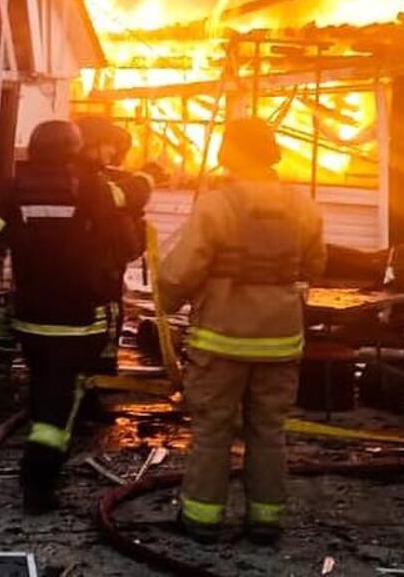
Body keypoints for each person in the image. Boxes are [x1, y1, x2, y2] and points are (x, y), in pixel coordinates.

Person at [0, 119, 138, 513]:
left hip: (31, 320)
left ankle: (35, 469)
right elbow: (125, 245)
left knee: (42, 390)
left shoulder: (14, 190)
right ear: (74, 150)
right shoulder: (91, 188)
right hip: (77, 321)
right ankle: (38, 485)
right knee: (57, 407)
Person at [158, 116, 325, 545]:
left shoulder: (217, 205)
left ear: (230, 152)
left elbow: (181, 271)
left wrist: (166, 301)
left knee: (212, 430)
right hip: (281, 340)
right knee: (268, 432)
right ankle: (265, 521)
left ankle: (202, 519)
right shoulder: (302, 205)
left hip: (221, 339)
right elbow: (316, 264)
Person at [75, 116, 154, 349]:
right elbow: (127, 245)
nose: (113, 151)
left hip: (83, 287)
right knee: (97, 351)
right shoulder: (89, 183)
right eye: (109, 144)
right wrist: (144, 181)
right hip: (97, 287)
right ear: (92, 145)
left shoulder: (77, 177)